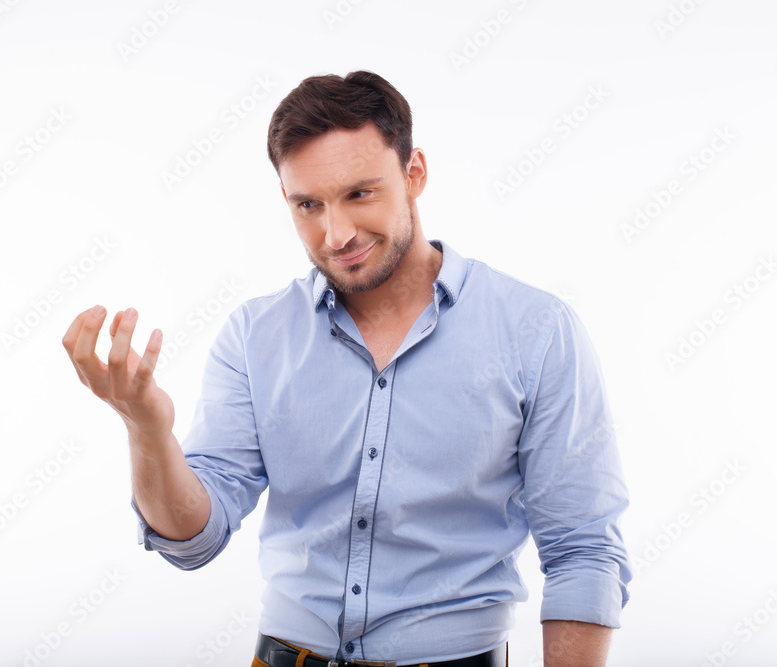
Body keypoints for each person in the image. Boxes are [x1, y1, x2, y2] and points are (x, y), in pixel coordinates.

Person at [62, 70, 631, 667]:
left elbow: (584, 550)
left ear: (414, 174)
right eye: (309, 205)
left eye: (360, 194)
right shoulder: (255, 335)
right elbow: (192, 541)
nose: (336, 235)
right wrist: (146, 429)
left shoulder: (535, 330)